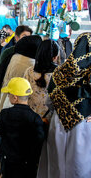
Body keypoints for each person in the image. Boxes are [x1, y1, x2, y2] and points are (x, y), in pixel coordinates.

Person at [37, 32, 91, 178]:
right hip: (85, 124)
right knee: (81, 164)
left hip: (59, 122)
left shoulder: (60, 72)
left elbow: (49, 102)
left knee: (58, 162)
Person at [0, 77, 45, 178]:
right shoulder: (35, 118)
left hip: (8, 159)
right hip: (28, 161)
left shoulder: (4, 114)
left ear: (15, 97)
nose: (8, 97)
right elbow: (40, 138)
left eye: (9, 94)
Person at [24, 40, 59, 117]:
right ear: (55, 57)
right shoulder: (59, 73)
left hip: (30, 116)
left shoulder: (29, 71)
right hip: (48, 118)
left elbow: (24, 94)